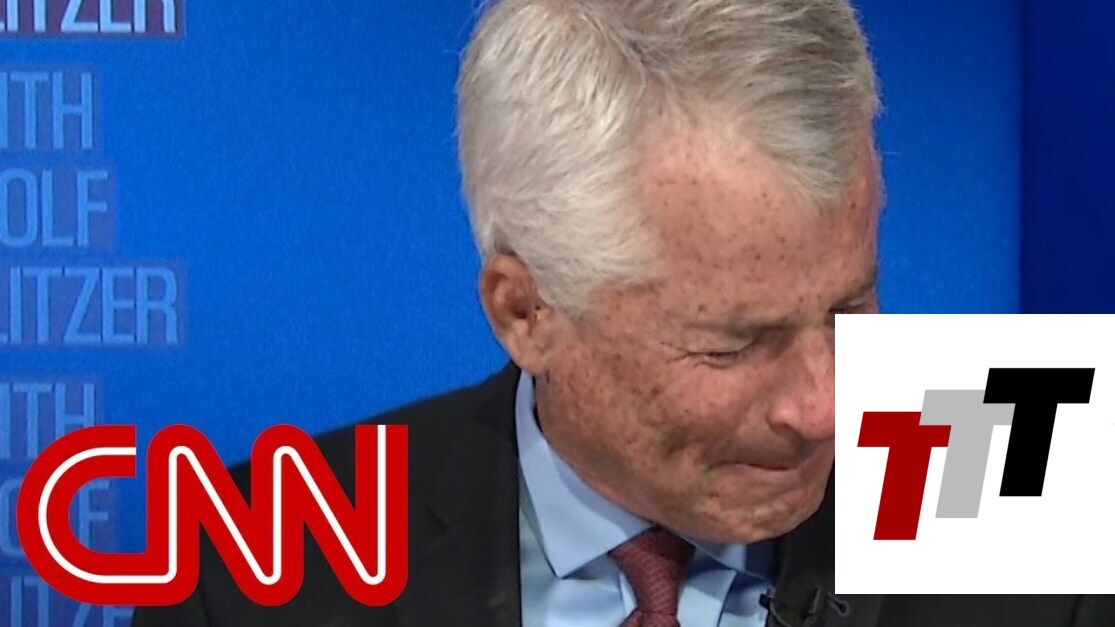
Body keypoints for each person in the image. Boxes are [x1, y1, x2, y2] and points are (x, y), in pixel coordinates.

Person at [133, 1, 1115, 625]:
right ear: (525, 311)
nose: (824, 405)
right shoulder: (257, 561)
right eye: (734, 344)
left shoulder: (1043, 491)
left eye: (848, 305)